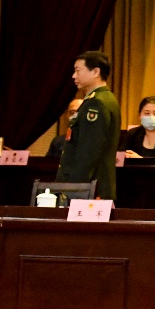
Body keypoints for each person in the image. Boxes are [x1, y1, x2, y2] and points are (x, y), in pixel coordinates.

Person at [57, 51, 122, 199]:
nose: (74, 76)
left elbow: (88, 152)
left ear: (95, 72)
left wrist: (73, 189)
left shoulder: (97, 103)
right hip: (92, 187)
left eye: (78, 70)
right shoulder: (104, 99)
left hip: (89, 189)